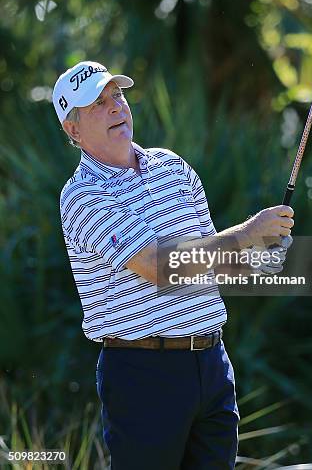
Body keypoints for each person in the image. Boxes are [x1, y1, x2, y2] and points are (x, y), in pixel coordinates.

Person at [52, 60, 294, 470]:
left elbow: (211, 262)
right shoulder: (81, 196)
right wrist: (250, 231)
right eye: (97, 103)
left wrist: (259, 257)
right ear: (72, 130)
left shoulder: (172, 166)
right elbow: (158, 266)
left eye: (118, 96)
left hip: (211, 364)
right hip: (144, 374)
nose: (116, 107)